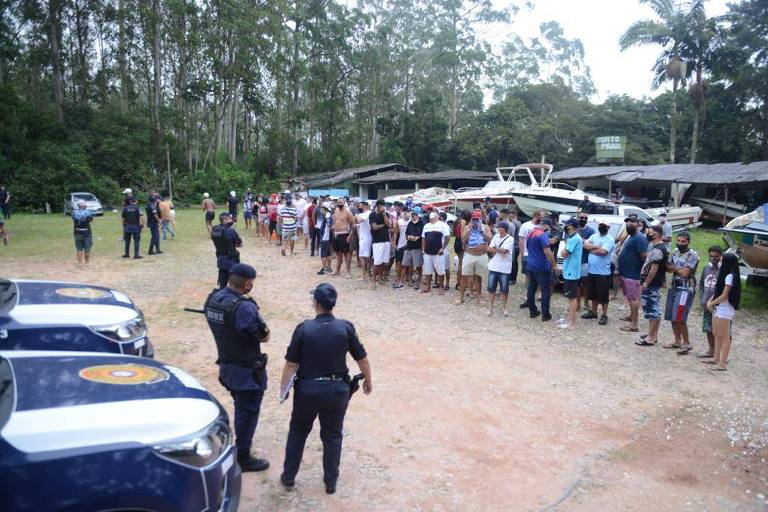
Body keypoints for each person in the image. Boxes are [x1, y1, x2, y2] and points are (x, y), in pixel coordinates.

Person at [280, 283, 372, 494]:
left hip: (307, 391)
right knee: (332, 435)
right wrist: (368, 380)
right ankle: (330, 481)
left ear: (316, 303)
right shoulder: (346, 328)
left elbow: (291, 364)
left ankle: (289, 476)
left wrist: (283, 389)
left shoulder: (303, 329)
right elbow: (362, 358)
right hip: (337, 390)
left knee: (298, 431)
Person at [204, 263, 271, 472]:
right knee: (247, 412)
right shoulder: (244, 307)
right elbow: (265, 336)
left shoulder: (213, 299)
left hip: (227, 366)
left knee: (240, 407)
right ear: (248, 284)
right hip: (246, 371)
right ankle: (243, 457)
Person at [664, 232, 699, 354]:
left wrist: (674, 269)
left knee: (680, 316)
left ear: (688, 241)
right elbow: (667, 267)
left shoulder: (693, 255)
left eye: (683, 241)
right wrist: (678, 269)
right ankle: (677, 341)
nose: (680, 243)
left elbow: (686, 274)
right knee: (672, 316)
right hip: (673, 286)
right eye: (678, 241)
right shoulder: (674, 252)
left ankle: (687, 343)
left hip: (686, 289)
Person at [705, 252, 740, 371]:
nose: (719, 261)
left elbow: (725, 295)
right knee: (716, 333)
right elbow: (718, 291)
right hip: (718, 307)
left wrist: (712, 303)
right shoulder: (723, 274)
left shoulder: (730, 276)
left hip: (724, 308)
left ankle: (723, 363)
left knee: (725, 336)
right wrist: (711, 300)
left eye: (721, 259)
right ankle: (716, 358)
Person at [636, 225, 668, 346]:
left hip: (651, 284)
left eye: (650, 233)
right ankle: (653, 334)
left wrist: (646, 283)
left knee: (652, 310)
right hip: (652, 283)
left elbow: (654, 269)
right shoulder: (657, 248)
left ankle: (651, 337)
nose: (648, 235)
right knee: (654, 309)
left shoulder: (659, 249)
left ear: (657, 233)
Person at [617, 215, 648, 333]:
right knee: (629, 297)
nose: (629, 224)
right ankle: (631, 316)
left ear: (638, 224)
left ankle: (634, 325)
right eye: (627, 222)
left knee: (634, 298)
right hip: (626, 273)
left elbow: (644, 256)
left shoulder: (639, 238)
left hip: (633, 274)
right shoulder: (631, 236)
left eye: (632, 222)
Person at [582, 222, 616, 325]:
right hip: (591, 270)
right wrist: (596, 247)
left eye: (605, 226)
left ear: (608, 228)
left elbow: (603, 252)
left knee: (603, 295)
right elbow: (585, 245)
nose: (602, 227)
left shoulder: (610, 239)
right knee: (593, 294)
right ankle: (593, 312)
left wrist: (591, 249)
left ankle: (604, 315)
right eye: (601, 225)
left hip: (603, 272)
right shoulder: (594, 235)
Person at [457, 209, 492, 305]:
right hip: (470, 254)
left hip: (481, 255)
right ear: (472, 219)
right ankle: (461, 297)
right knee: (464, 276)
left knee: (478, 277)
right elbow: (463, 240)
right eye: (474, 219)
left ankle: (479, 297)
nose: (476, 221)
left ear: (481, 218)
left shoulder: (485, 227)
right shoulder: (468, 227)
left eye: (478, 219)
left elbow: (489, 239)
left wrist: (481, 232)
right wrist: (469, 232)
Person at [526, 218, 556, 321]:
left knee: (531, 289)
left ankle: (532, 311)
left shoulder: (531, 233)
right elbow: (547, 251)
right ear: (546, 226)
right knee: (545, 290)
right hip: (542, 266)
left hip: (531, 265)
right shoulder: (542, 235)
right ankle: (545, 314)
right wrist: (554, 264)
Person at [698, 246, 723, 359]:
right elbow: (701, 284)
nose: (713, 259)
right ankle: (711, 350)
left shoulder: (724, 270)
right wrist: (702, 298)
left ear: (721, 257)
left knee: (719, 331)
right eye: (711, 256)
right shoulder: (706, 269)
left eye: (716, 257)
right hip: (707, 306)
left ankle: (720, 353)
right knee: (708, 329)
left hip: (719, 307)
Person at [487, 221, 516, 316]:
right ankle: (490, 307)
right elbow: (489, 249)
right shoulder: (495, 237)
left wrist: (495, 248)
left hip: (504, 267)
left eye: (500, 227)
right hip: (494, 266)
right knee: (491, 288)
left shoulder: (510, 239)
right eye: (498, 227)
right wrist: (498, 249)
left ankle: (503, 307)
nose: (499, 229)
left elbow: (505, 251)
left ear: (505, 229)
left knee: (504, 289)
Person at [558, 219, 583, 329]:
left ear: (571, 226)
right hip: (570, 271)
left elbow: (564, 254)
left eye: (567, 225)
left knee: (572, 298)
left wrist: (564, 248)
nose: (566, 227)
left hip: (571, 272)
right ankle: (569, 318)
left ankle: (572, 322)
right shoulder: (573, 238)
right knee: (570, 297)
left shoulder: (574, 239)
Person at [518, 210, 543, 308]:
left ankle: (539, 293)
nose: (543, 218)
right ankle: (528, 295)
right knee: (528, 275)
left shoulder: (543, 226)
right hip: (528, 254)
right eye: (542, 216)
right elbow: (521, 239)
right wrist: (522, 253)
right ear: (536, 216)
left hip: (539, 255)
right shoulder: (525, 225)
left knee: (539, 274)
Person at [419, 211, 449, 294]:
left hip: (438, 252)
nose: (431, 217)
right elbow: (423, 238)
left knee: (440, 271)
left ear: (438, 216)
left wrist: (442, 248)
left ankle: (441, 287)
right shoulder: (426, 226)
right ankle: (428, 287)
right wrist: (423, 249)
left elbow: (447, 237)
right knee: (427, 271)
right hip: (427, 252)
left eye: (433, 215)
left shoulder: (442, 225)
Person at [211, 212, 243, 289]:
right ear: (224, 220)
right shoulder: (229, 230)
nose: (231, 220)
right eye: (230, 219)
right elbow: (239, 242)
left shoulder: (215, 229)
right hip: (231, 259)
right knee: (235, 283)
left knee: (222, 284)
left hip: (221, 259)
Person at [573, 212, 596, 312]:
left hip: (586, 260)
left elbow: (592, 244)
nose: (583, 219)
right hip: (575, 261)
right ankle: (577, 304)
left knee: (586, 284)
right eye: (581, 217)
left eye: (585, 218)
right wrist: (584, 242)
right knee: (577, 284)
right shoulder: (573, 229)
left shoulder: (591, 230)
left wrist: (581, 241)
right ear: (578, 218)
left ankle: (586, 303)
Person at [369, 199, 391, 289]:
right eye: (382, 206)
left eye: (384, 206)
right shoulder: (372, 215)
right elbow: (374, 227)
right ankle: (373, 280)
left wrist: (384, 214)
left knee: (383, 261)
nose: (383, 207)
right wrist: (383, 225)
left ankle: (380, 278)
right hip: (377, 241)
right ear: (378, 206)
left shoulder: (386, 214)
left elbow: (389, 224)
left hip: (386, 240)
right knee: (377, 261)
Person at [403, 209, 424, 289]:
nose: (413, 216)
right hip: (409, 246)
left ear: (418, 215)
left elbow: (422, 235)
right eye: (412, 215)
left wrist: (416, 237)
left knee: (418, 265)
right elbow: (407, 233)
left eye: (414, 214)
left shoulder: (422, 223)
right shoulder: (410, 223)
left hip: (417, 247)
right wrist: (409, 237)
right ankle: (410, 279)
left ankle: (418, 280)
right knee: (408, 264)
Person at [392, 207, 409, 289]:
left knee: (405, 264)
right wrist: (394, 243)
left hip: (409, 246)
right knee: (398, 263)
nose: (406, 214)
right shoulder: (399, 222)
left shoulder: (412, 222)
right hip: (400, 245)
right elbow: (395, 233)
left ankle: (402, 280)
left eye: (407, 212)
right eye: (404, 212)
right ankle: (398, 278)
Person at [72, 200, 94, 264]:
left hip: (77, 233)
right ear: (85, 206)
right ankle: (87, 262)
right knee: (87, 250)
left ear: (78, 206)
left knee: (79, 249)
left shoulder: (74, 213)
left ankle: (80, 263)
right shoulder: (88, 213)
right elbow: (91, 220)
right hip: (87, 233)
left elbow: (73, 219)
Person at [356, 202, 373, 281]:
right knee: (363, 256)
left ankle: (366, 274)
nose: (359, 205)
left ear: (365, 206)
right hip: (362, 238)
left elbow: (359, 221)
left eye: (361, 204)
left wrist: (355, 216)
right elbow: (358, 227)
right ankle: (366, 274)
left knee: (365, 257)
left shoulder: (368, 213)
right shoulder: (361, 214)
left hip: (367, 238)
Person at [316, 202, 334, 275]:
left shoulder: (327, 216)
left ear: (324, 208)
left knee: (323, 254)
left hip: (325, 237)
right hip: (327, 236)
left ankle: (324, 268)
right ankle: (329, 268)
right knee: (328, 253)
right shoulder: (328, 215)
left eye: (321, 208)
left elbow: (330, 226)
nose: (321, 209)